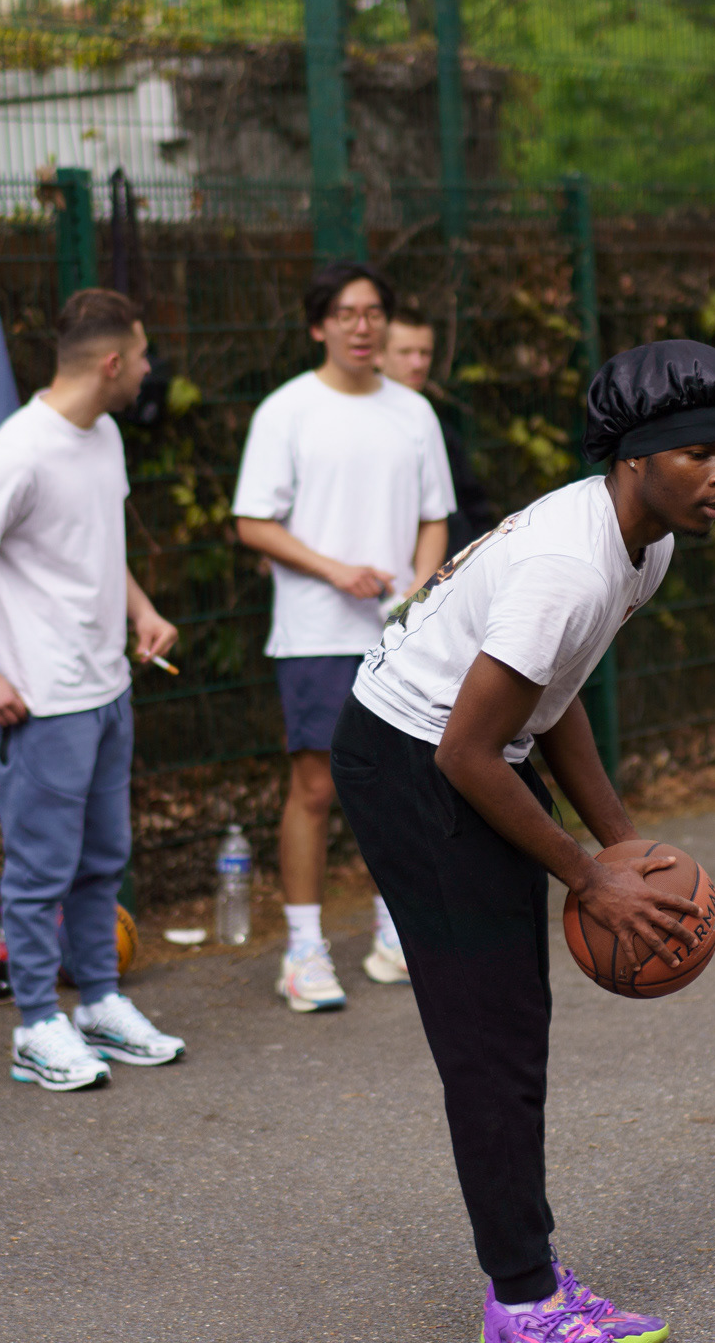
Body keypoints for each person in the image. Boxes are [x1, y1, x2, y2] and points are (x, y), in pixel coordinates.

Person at [330, 340, 715, 1343]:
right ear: (637, 459)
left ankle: (526, 1275)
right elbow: (465, 752)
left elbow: (552, 693)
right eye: (699, 454)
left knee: (514, 1022)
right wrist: (588, 877)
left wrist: (623, 846)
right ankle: (523, 1301)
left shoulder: (642, 543)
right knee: (492, 1037)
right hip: (414, 759)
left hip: (468, 746)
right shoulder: (569, 565)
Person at [0, 288, 187, 1092]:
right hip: (41, 704)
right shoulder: (19, 451)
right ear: (112, 363)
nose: (148, 369)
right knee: (39, 876)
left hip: (108, 691)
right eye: (141, 355)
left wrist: (143, 611)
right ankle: (36, 1024)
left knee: (103, 863)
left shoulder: (104, 434)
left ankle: (98, 1003)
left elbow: (96, 546)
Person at [232, 262, 455, 1008]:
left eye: (374, 313)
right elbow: (252, 523)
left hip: (399, 635)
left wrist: (420, 592)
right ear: (318, 326)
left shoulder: (413, 413)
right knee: (316, 787)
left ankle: (395, 933)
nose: (363, 326)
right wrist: (335, 571)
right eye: (346, 313)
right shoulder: (286, 411)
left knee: (401, 784)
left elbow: (433, 516)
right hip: (315, 632)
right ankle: (303, 950)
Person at [383, 308, 497, 554]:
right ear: (377, 355)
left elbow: (469, 507)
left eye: (425, 353)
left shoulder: (438, 426)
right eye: (405, 352)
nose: (418, 363)